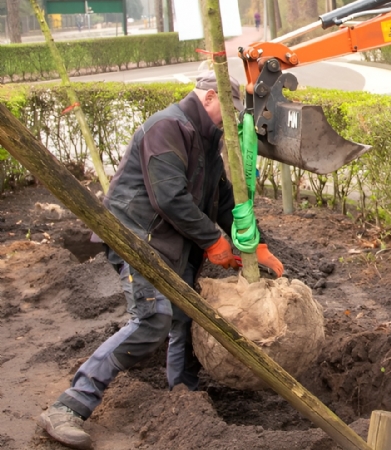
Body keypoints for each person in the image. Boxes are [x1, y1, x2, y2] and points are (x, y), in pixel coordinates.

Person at [39, 71, 284, 450]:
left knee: (186, 317)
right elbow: (169, 198)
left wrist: (254, 244)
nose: (232, 120)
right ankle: (68, 406)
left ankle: (183, 399)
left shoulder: (208, 137)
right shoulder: (168, 127)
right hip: (137, 237)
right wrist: (213, 241)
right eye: (229, 111)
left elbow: (221, 200)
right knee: (153, 319)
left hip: (172, 241)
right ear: (207, 98)